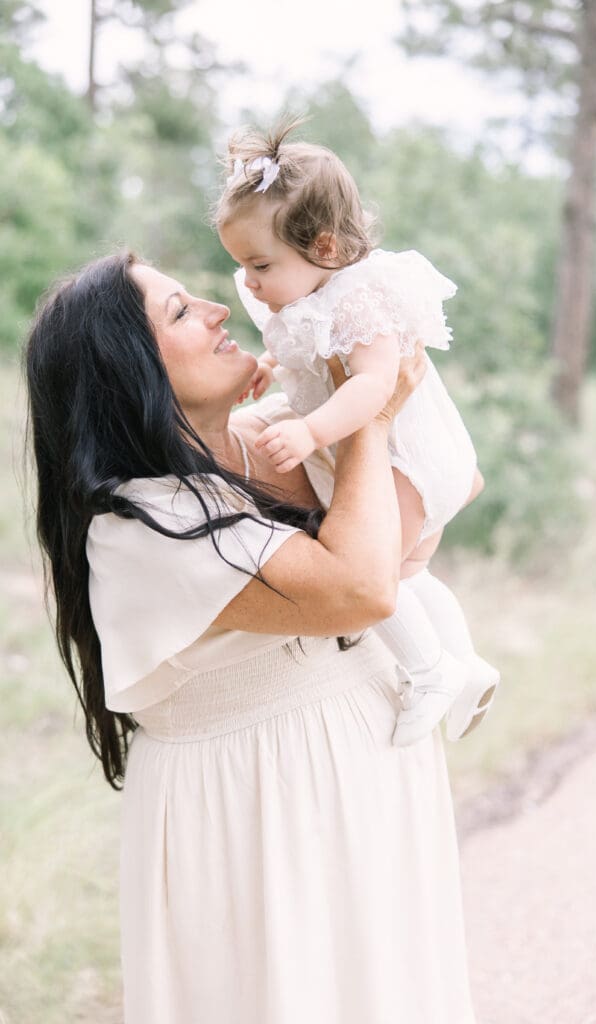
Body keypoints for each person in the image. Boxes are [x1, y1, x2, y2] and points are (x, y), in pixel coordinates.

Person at [25, 251, 478, 1023]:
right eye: (179, 313)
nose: (216, 309)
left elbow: (449, 488)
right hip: (259, 804)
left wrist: (352, 376)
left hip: (368, 771)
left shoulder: (268, 432)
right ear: (126, 371)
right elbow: (363, 588)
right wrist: (365, 416)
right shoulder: (147, 521)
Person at [214, 120, 499, 748]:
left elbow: (374, 385)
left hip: (406, 457)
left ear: (323, 247)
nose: (251, 283)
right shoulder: (305, 300)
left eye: (260, 265)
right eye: (241, 266)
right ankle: (466, 663)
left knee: (376, 575)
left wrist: (310, 428)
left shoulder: (357, 300)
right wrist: (269, 368)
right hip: (390, 457)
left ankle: (430, 674)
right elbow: (315, 367)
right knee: (413, 574)